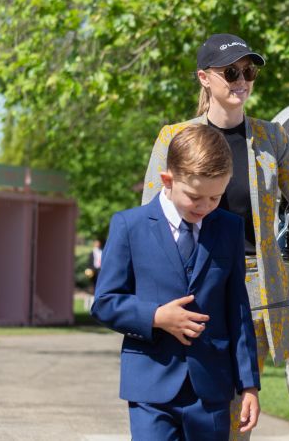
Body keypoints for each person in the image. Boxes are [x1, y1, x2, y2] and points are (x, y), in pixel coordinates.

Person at [142, 34, 289, 436]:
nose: (242, 80)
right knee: (192, 410)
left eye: (249, 71)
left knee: (237, 419)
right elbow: (151, 223)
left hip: (254, 298)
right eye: (231, 72)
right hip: (191, 289)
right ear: (204, 78)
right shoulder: (173, 137)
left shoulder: (271, 138)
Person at [92, 125, 260, 439]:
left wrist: (249, 384)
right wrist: (155, 316)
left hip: (211, 387)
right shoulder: (130, 226)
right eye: (195, 196)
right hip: (150, 384)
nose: (206, 206)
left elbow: (237, 307)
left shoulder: (229, 228)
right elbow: (105, 303)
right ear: (168, 180)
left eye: (215, 197)